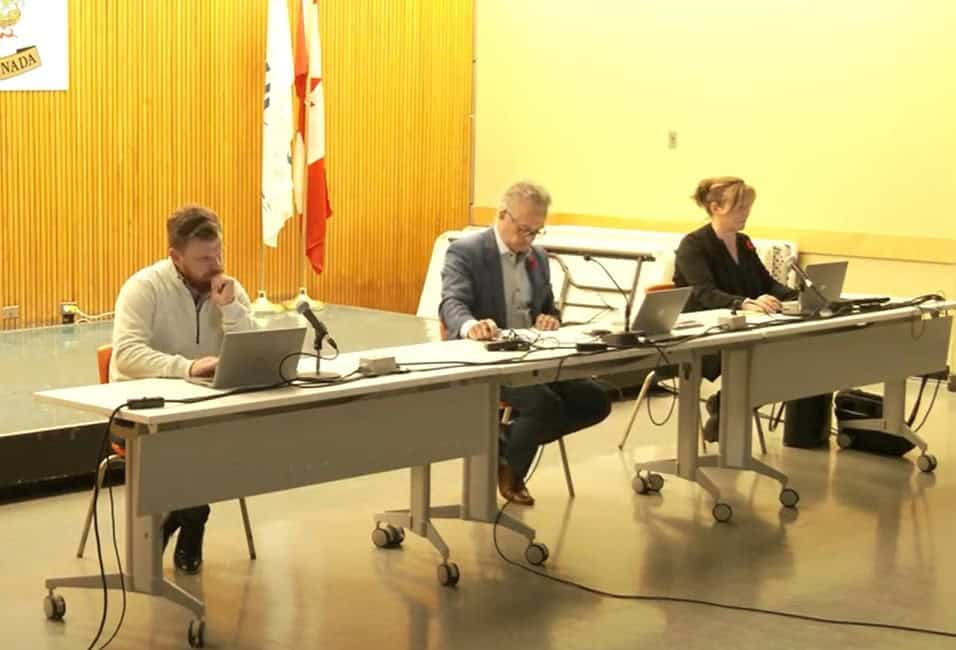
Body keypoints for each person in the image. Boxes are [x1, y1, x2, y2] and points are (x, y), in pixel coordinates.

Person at [439, 181, 612, 505]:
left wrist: (550, 319)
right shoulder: (467, 251)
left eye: (537, 231)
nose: (530, 238)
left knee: (597, 398)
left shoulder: (538, 257)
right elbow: (451, 303)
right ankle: (512, 468)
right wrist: (471, 326)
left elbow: (548, 308)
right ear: (502, 215)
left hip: (533, 356)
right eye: (524, 230)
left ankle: (508, 441)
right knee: (543, 404)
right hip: (487, 359)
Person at [110, 204, 256, 572]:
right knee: (197, 446)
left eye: (219, 253)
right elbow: (126, 355)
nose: (216, 264)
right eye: (204, 258)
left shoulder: (228, 288)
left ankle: (182, 514)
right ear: (176, 257)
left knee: (236, 441)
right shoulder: (144, 288)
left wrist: (231, 310)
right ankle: (194, 516)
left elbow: (252, 348)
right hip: (144, 411)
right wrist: (186, 367)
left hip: (205, 407)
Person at [673, 177, 798, 439]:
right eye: (740, 207)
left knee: (789, 355)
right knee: (764, 356)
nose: (746, 213)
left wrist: (801, 297)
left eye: (748, 207)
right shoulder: (693, 245)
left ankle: (726, 404)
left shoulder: (743, 242)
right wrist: (742, 303)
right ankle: (728, 406)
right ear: (716, 208)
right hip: (701, 336)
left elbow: (766, 283)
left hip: (744, 328)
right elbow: (704, 293)